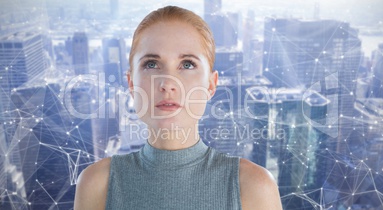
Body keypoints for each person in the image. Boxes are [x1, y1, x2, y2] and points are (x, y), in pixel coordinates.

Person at [74, 5, 282, 210]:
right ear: (131, 84)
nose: (168, 83)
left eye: (188, 64)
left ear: (210, 85)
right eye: (151, 64)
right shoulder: (97, 185)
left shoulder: (254, 187)